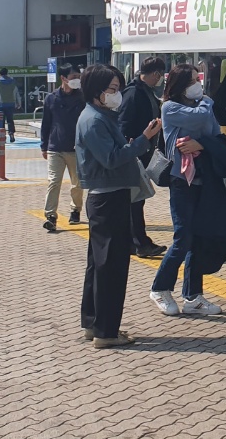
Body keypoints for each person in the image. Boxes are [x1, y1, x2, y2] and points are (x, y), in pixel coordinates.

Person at [76, 65, 160, 348]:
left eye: (117, 88)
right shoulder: (94, 120)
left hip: (108, 196)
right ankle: (106, 332)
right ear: (96, 91)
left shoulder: (100, 116)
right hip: (108, 198)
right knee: (111, 266)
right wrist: (143, 140)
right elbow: (111, 158)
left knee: (99, 264)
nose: (116, 95)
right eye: (111, 89)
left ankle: (94, 323)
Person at [149, 64, 226, 317]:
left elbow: (214, 133)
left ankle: (193, 296)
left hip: (204, 180)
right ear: (181, 84)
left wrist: (199, 143)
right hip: (181, 181)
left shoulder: (200, 106)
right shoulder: (170, 107)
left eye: (198, 80)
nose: (198, 85)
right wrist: (206, 101)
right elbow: (203, 118)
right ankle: (160, 288)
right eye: (193, 81)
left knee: (198, 238)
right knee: (183, 238)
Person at [119, 57, 168, 258]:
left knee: (137, 199)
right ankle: (140, 242)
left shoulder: (143, 91)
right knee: (136, 200)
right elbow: (124, 125)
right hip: (135, 153)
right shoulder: (134, 93)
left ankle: (133, 241)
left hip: (141, 151)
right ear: (156, 74)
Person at [40, 64, 85, 232]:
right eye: (73, 78)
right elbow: (46, 124)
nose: (77, 81)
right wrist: (44, 145)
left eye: (78, 77)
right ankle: (50, 216)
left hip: (76, 148)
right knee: (53, 182)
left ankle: (75, 210)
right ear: (63, 79)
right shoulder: (51, 99)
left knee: (77, 183)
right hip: (55, 148)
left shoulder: (82, 98)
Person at [0, 68, 19, 141]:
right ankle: (11, 133)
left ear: (0, 74)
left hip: (0, 105)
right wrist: (18, 102)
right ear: (7, 73)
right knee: (10, 120)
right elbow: (16, 92)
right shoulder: (13, 82)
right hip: (11, 104)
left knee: (1, 121)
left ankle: (3, 136)